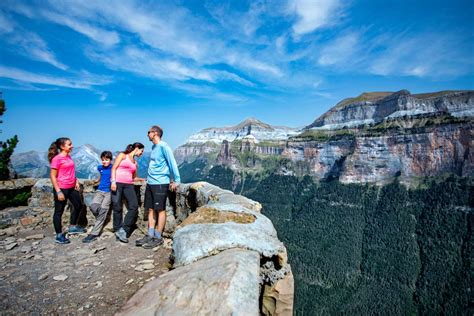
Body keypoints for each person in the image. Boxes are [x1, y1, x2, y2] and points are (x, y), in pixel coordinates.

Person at [136, 125, 180, 249]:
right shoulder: (154, 147)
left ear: (155, 133)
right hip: (151, 182)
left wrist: (177, 180)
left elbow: (172, 163)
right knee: (150, 209)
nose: (147, 134)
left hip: (161, 183)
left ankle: (158, 237)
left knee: (160, 210)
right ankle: (150, 235)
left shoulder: (164, 146)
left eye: (148, 132)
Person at [48, 137, 85, 244]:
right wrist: (58, 191)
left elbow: (70, 171)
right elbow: (53, 176)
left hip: (71, 187)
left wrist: (76, 181)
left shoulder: (68, 157)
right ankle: (59, 235)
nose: (72, 146)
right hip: (62, 188)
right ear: (62, 146)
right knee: (59, 212)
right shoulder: (57, 159)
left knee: (78, 205)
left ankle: (72, 227)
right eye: (69, 144)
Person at [111, 142, 144, 243]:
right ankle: (117, 229)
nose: (141, 154)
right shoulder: (122, 155)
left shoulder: (135, 162)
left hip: (129, 185)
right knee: (117, 207)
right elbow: (114, 168)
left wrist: (143, 179)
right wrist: (113, 182)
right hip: (117, 183)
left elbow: (134, 177)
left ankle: (124, 230)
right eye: (141, 151)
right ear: (137, 148)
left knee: (134, 206)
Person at [83, 151, 113, 243]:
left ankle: (94, 233)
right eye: (103, 160)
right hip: (100, 190)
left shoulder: (113, 168)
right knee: (93, 206)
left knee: (103, 211)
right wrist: (97, 180)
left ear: (110, 160)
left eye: (107, 160)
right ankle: (102, 217)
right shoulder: (100, 168)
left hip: (108, 192)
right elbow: (102, 175)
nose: (104, 161)